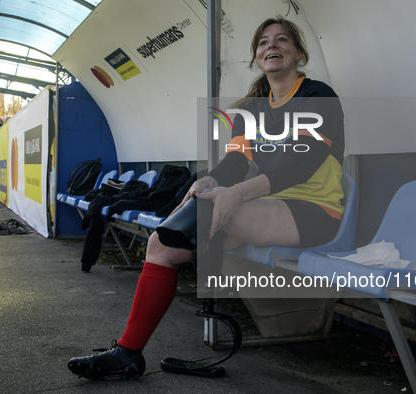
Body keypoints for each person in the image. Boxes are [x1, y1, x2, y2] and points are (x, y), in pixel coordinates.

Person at [67, 15, 345, 380]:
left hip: (314, 211)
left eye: (281, 40)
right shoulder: (251, 109)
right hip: (263, 207)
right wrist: (210, 179)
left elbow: (300, 165)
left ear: (298, 53)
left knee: (216, 211)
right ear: (256, 56)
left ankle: (212, 300)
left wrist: (236, 193)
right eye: (263, 42)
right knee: (159, 245)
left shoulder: (317, 96)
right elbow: (234, 162)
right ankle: (128, 351)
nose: (271, 46)